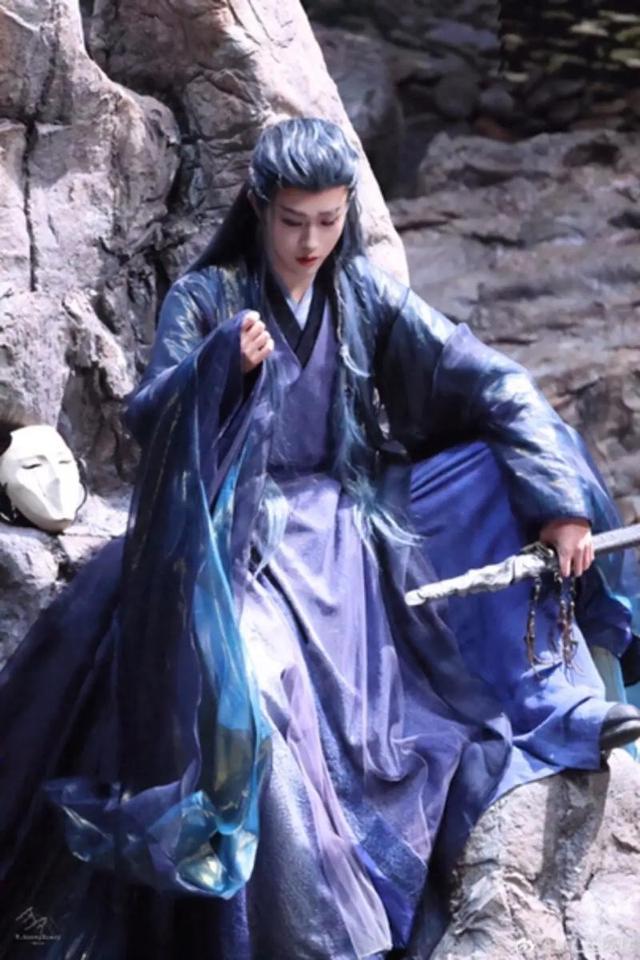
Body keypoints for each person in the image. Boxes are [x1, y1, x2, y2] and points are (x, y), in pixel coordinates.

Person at [1, 117, 639, 960]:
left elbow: (491, 381)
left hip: (346, 529)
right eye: (293, 221)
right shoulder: (209, 297)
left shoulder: (361, 294)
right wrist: (219, 365)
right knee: (253, 697)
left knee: (497, 474)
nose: (309, 243)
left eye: (329, 221)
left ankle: (557, 705)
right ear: (258, 207)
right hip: (239, 536)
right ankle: (298, 928)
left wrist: (561, 506)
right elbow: (149, 414)